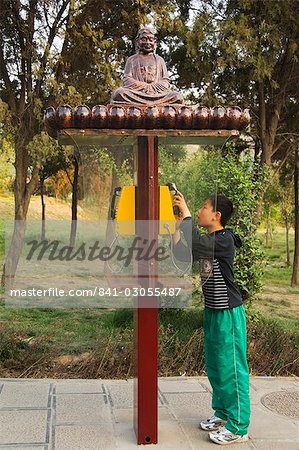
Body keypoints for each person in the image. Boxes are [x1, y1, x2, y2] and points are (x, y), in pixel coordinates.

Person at [171, 192, 250, 446]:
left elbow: (195, 244)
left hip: (229, 313)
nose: (200, 210)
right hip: (213, 312)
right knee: (216, 367)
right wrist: (175, 231)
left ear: (216, 216)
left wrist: (186, 215)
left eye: (204, 207)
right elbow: (184, 257)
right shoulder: (209, 241)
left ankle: (239, 427)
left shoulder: (224, 240)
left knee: (233, 370)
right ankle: (223, 413)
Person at [111, 27, 183, 105]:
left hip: (157, 94)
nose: (147, 42)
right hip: (137, 93)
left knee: (177, 96)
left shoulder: (159, 60)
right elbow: (127, 79)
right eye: (144, 39)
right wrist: (144, 86)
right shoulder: (132, 59)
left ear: (155, 43)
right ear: (137, 42)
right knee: (119, 93)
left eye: (151, 40)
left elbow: (165, 81)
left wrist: (153, 87)